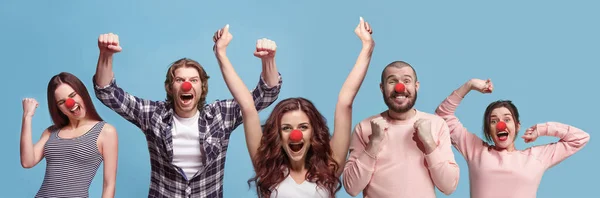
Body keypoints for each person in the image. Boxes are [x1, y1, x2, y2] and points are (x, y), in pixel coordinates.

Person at [92, 25, 282, 197]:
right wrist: (105, 55)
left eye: (193, 80)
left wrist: (268, 60)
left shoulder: (221, 115)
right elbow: (107, 92)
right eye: (179, 80)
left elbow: (266, 93)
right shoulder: (153, 115)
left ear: (202, 88)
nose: (186, 85)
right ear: (169, 88)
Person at [241, 17, 374, 198]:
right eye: (286, 128)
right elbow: (248, 107)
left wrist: (367, 48)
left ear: (313, 132)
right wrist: (221, 53)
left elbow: (345, 102)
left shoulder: (329, 168)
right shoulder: (268, 171)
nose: (295, 134)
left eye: (303, 127)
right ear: (278, 135)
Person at [434, 78, 590, 198]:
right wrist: (469, 85)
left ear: (517, 125)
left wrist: (543, 129)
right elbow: (442, 116)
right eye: (493, 121)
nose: (500, 125)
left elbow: (580, 138)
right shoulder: (476, 150)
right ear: (488, 128)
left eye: (507, 119)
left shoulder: (535, 157)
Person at [343, 61, 460, 197]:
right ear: (382, 88)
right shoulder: (364, 127)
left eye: (406, 80)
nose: (400, 87)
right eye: (392, 81)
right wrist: (374, 142)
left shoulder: (437, 124)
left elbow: (449, 186)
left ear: (416, 86)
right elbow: (351, 187)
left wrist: (429, 143)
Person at [20, 72, 118, 198]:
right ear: (58, 108)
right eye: (61, 102)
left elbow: (109, 184)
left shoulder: (106, 132)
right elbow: (27, 162)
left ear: (82, 94)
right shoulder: (51, 132)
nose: (70, 103)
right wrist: (27, 116)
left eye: (72, 95)